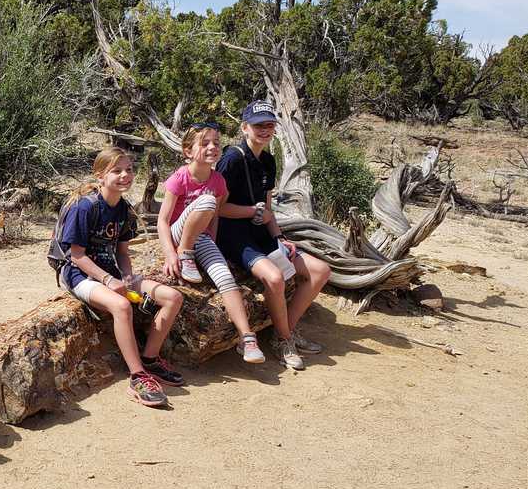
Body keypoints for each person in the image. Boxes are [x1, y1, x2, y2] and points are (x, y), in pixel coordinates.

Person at [51, 145, 185, 407]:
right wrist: (108, 281)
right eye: (117, 171)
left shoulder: (123, 208)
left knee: (173, 297)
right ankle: (137, 376)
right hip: (79, 274)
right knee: (122, 306)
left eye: (129, 170)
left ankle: (149, 358)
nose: (125, 175)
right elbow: (76, 255)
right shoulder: (85, 207)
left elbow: (122, 250)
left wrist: (125, 275)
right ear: (100, 175)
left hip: (111, 270)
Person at [214, 101, 332, 370]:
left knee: (320, 271)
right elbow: (218, 209)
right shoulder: (231, 159)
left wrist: (279, 237)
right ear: (244, 127)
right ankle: (285, 338)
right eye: (258, 125)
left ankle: (284, 334)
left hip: (260, 233)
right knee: (275, 277)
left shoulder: (268, 160)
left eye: (270, 125)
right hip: (234, 235)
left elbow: (267, 207)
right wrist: (250, 212)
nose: (265, 130)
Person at [156, 120, 266, 364]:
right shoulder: (179, 178)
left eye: (216, 143)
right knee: (206, 201)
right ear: (188, 151)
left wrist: (213, 244)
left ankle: (246, 337)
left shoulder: (218, 180)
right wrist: (171, 254)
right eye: (204, 143)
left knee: (226, 278)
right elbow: (162, 221)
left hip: (201, 237)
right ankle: (186, 254)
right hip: (177, 235)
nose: (212, 147)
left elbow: (214, 217)